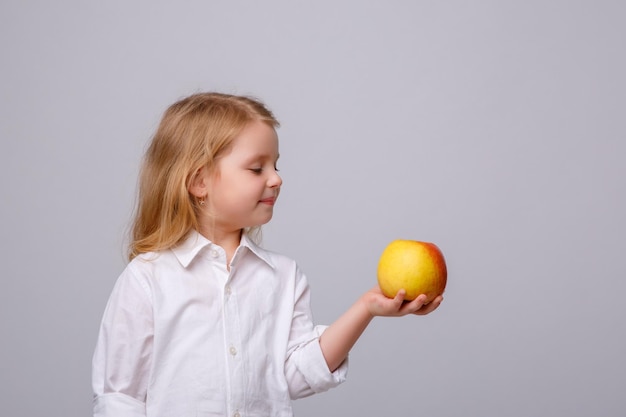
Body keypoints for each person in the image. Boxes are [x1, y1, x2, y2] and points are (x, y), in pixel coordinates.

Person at [92, 92, 444, 417]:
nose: (276, 179)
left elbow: (296, 375)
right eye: (257, 168)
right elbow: (119, 397)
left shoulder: (283, 277)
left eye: (275, 165)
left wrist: (366, 308)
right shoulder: (148, 278)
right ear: (199, 181)